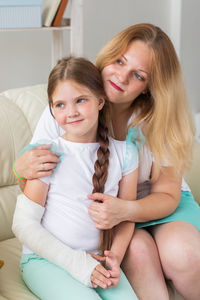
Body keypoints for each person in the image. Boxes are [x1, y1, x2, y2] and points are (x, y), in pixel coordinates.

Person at [13, 23, 200, 300]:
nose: (121, 77)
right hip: (110, 218)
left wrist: (124, 210)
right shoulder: (70, 106)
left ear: (150, 87)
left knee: (184, 255)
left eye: (137, 74)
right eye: (119, 61)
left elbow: (167, 195)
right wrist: (19, 168)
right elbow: (37, 178)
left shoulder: (157, 121)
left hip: (157, 205)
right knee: (137, 251)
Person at [12, 57, 139, 300]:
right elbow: (23, 225)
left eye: (80, 100)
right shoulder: (47, 153)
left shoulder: (126, 154)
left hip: (97, 259)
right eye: (60, 105)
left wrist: (115, 258)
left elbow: (126, 216)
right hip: (45, 260)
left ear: (100, 101)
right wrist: (78, 264)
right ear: (51, 109)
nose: (71, 112)